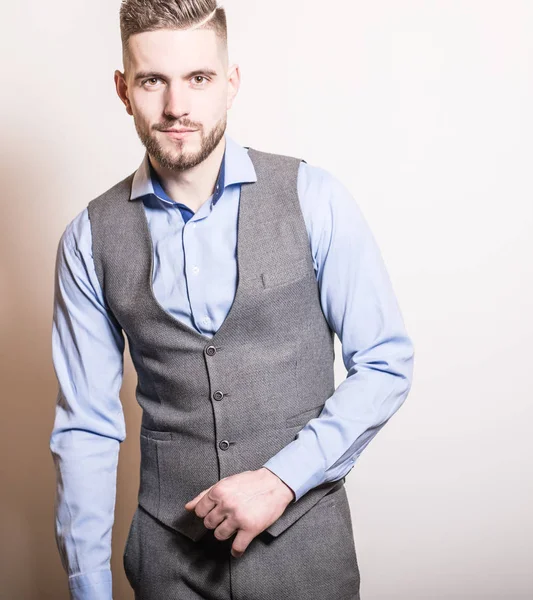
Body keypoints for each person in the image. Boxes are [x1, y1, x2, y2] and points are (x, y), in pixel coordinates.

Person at [49, 1, 415, 599]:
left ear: (231, 83)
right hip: (167, 567)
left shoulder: (313, 198)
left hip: (307, 556)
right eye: (151, 80)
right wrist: (89, 589)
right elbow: (86, 427)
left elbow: (386, 363)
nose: (176, 107)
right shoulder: (89, 237)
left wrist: (280, 480)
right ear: (123, 89)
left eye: (198, 78)